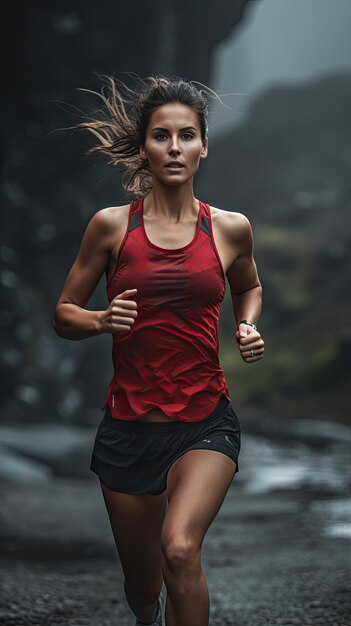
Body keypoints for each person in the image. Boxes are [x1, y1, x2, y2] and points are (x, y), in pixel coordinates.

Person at [53, 74, 264, 626]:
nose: (175, 148)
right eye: (162, 136)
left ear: (204, 145)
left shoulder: (230, 229)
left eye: (187, 135)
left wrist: (246, 326)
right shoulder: (111, 227)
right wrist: (100, 319)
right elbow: (64, 314)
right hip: (129, 427)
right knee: (143, 583)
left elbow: (249, 286)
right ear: (144, 146)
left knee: (179, 549)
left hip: (205, 421)